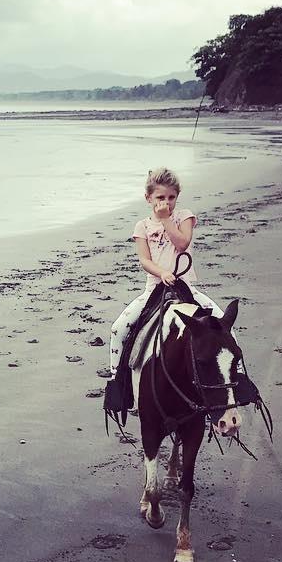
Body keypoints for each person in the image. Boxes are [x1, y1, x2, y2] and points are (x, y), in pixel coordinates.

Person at [104, 167, 225, 411]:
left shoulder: (184, 217)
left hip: (186, 288)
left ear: (177, 197)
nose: (166, 202)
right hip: (155, 290)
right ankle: (119, 387)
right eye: (160, 198)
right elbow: (145, 260)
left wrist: (166, 219)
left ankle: (238, 381)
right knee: (119, 328)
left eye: (171, 197)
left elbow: (182, 243)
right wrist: (162, 273)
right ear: (148, 199)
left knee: (222, 323)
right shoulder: (142, 227)